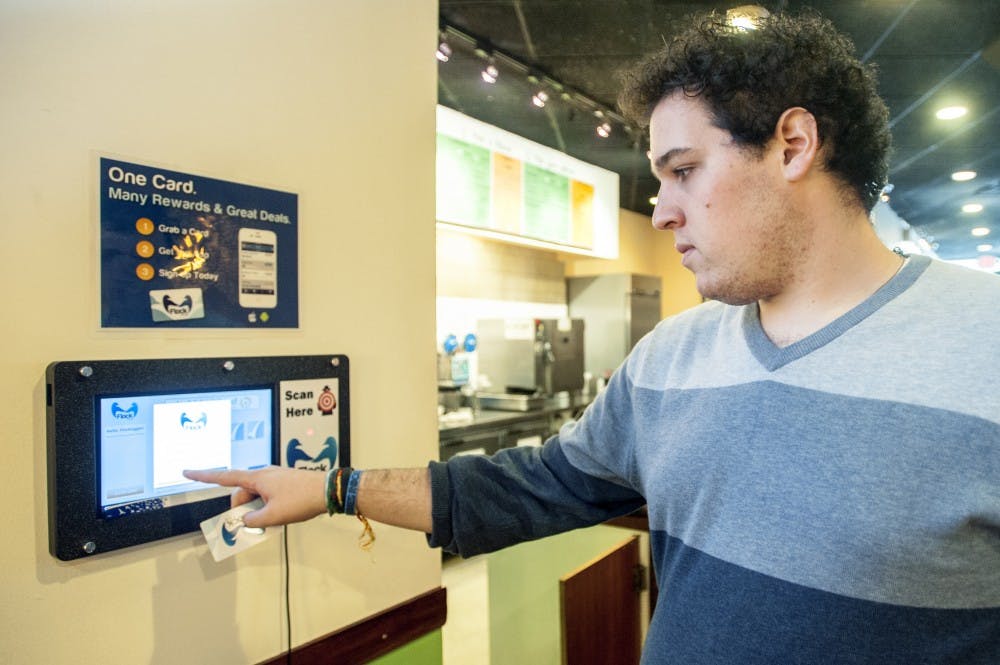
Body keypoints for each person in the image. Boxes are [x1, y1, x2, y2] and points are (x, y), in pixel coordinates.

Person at [186, 9, 1000, 663]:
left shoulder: (983, 342)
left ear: (792, 144)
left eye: (683, 170)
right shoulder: (669, 359)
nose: (661, 209)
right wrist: (332, 486)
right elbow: (528, 487)